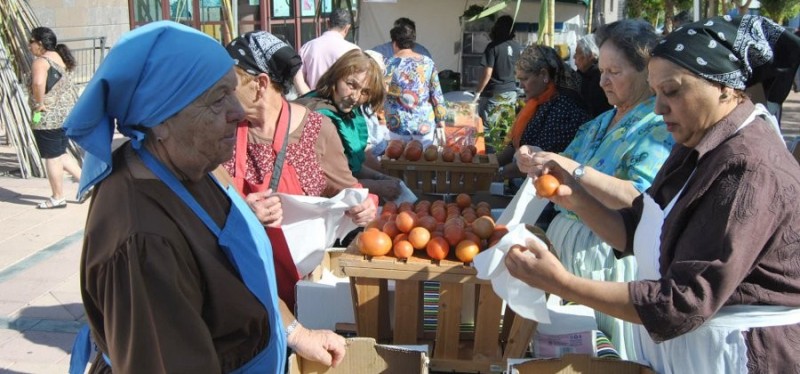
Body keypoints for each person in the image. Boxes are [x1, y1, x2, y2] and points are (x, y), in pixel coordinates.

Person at [508, 15, 800, 373]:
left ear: (725, 87)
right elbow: (639, 226)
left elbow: (685, 300)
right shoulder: (697, 142)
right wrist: (574, 198)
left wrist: (562, 283)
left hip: (734, 355)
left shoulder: (749, 166)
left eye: (672, 91)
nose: (659, 107)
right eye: (656, 91)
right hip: (685, 348)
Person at [64, 21, 346, 372]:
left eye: (232, 91)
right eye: (217, 100)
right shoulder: (143, 243)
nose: (238, 112)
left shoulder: (200, 166)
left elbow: (246, 274)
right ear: (161, 120)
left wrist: (295, 331)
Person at [514, 19, 675, 360]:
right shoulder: (600, 122)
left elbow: (641, 200)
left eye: (614, 71)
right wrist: (530, 159)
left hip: (609, 263)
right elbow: (558, 168)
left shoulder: (659, 125)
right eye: (601, 70)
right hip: (566, 254)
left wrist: (576, 171)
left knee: (610, 357)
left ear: (647, 71)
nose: (602, 81)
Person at [223, 31, 377, 309]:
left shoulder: (315, 131)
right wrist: (244, 211)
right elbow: (201, 196)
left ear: (260, 84)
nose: (223, 90)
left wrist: (365, 206)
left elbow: (348, 191)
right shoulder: (222, 129)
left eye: (231, 81)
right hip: (234, 278)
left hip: (297, 287)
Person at [296, 50, 402, 202]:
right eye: (351, 85)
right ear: (336, 76)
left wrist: (379, 177)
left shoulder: (347, 111)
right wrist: (376, 186)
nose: (355, 97)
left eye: (365, 92)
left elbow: (349, 167)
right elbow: (322, 182)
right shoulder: (318, 117)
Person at [496, 44, 589, 180]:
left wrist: (498, 173)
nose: (521, 85)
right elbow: (516, 144)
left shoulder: (564, 109)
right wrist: (491, 163)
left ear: (544, 75)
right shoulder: (538, 101)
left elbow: (539, 160)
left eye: (525, 79)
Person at [27, 27, 84, 209]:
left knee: (51, 157)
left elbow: (38, 83)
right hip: (65, 115)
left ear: (40, 43)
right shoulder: (60, 58)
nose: (29, 45)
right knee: (60, 153)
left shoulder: (41, 62)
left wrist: (39, 103)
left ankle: (58, 197)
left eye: (31, 41)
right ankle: (87, 184)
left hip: (47, 118)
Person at [382, 22, 447, 148]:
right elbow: (436, 93)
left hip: (397, 123)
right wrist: (441, 120)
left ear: (394, 43)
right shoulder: (427, 62)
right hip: (423, 124)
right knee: (424, 161)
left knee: (397, 161)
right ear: (413, 43)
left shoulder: (389, 63)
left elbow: (382, 92)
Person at [474, 15, 523, 137]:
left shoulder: (493, 47)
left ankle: (490, 156)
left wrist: (477, 93)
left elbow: (487, 74)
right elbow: (520, 71)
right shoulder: (518, 47)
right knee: (505, 130)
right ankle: (502, 156)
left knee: (490, 131)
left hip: (494, 94)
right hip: (511, 93)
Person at [299, 8, 360, 90]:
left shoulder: (307, 47)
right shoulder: (354, 51)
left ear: (328, 23)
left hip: (311, 100)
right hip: (343, 101)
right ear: (347, 28)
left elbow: (299, 80)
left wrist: (308, 98)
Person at [573, 34, 612, 117]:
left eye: (577, 53)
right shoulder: (582, 74)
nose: (574, 57)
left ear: (590, 55)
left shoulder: (598, 77)